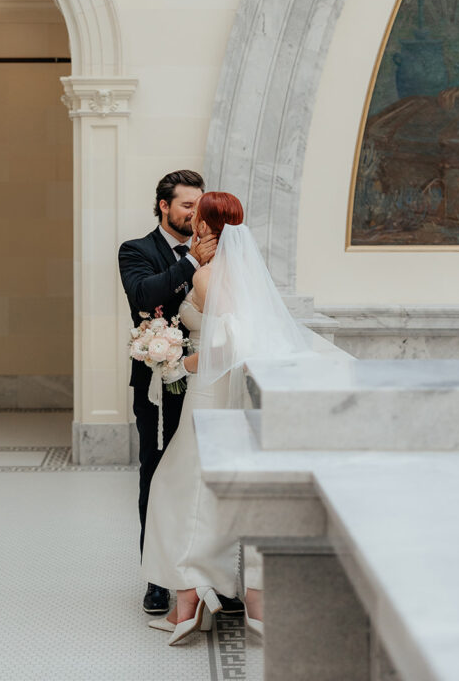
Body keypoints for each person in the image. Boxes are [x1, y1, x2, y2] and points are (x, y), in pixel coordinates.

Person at [142, 191, 350, 646]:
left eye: (196, 215)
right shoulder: (244, 272)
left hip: (210, 394)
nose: (191, 220)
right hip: (232, 395)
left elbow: (230, 343)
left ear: (205, 225)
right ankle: (213, 595)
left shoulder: (208, 275)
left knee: (178, 489)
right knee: (202, 490)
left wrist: (178, 360)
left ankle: (191, 597)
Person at [119, 170, 213, 616]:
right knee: (156, 474)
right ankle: (157, 578)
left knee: (200, 479)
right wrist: (191, 263)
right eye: (187, 206)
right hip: (159, 386)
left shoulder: (218, 252)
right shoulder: (136, 251)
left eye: (200, 205)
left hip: (208, 384)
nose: (195, 214)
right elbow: (144, 296)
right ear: (164, 206)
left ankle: (210, 576)